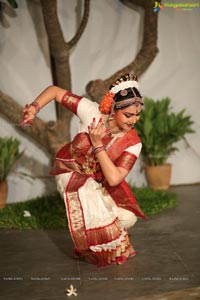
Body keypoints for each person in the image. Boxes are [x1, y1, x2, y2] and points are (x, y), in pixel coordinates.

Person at [21, 72, 146, 267]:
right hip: (70, 171)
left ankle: (88, 241)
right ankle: (99, 243)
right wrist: (34, 108)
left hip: (98, 180)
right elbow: (55, 91)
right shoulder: (91, 112)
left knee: (128, 218)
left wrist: (97, 145)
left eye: (138, 115)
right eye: (128, 115)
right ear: (113, 109)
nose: (134, 120)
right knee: (88, 197)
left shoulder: (133, 143)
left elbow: (114, 179)